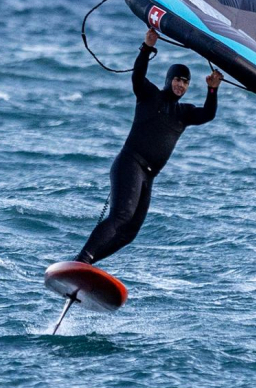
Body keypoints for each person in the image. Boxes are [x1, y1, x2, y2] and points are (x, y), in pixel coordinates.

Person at [74, 28, 223, 265]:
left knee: (129, 233)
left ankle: (85, 265)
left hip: (148, 176)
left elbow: (208, 114)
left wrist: (212, 89)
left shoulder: (184, 113)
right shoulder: (149, 95)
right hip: (130, 163)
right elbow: (137, 76)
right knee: (121, 216)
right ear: (169, 79)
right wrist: (147, 47)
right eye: (177, 79)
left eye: (186, 82)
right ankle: (81, 260)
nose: (181, 85)